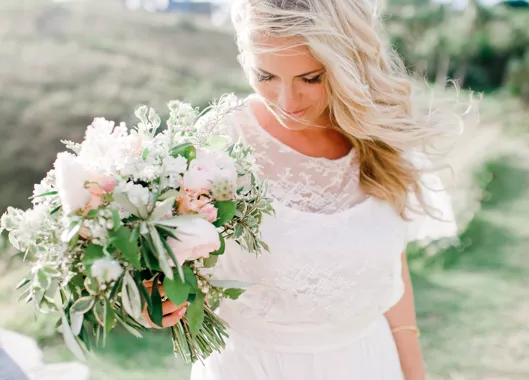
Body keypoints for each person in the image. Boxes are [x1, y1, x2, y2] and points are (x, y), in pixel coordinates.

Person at [144, 0, 464, 378]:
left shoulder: (383, 138)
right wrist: (153, 300)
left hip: (368, 363)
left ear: (350, 61)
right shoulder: (216, 145)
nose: (286, 102)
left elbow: (389, 273)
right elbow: (162, 270)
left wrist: (414, 374)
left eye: (310, 78)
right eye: (266, 76)